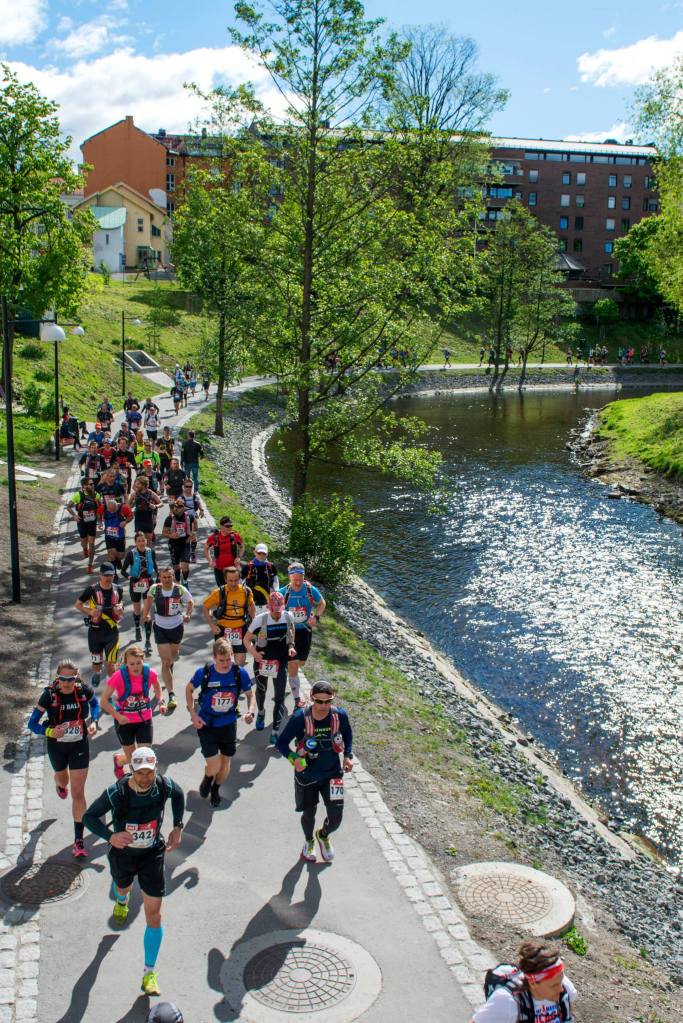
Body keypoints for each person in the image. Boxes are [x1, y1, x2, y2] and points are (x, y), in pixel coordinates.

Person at [83, 746, 185, 997]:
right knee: (123, 888)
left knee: (155, 915)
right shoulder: (116, 792)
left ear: (156, 768)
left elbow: (180, 794)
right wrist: (111, 835)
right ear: (131, 771)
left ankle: (149, 973)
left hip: (152, 854)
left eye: (149, 772)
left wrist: (178, 826)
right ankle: (121, 900)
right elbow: (89, 817)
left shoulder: (163, 785)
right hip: (124, 856)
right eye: (140, 773)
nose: (145, 778)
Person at [27, 658, 100, 857]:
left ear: (76, 678)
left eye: (70, 679)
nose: (66, 683)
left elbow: (96, 705)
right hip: (57, 747)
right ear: (57, 678)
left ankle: (78, 841)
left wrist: (93, 721)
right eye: (62, 679)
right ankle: (59, 784)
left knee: (78, 792)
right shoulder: (49, 695)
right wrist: (50, 731)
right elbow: (32, 724)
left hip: (79, 744)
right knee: (63, 779)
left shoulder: (83, 691)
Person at [276, 681, 353, 863]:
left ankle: (323, 835)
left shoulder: (339, 715)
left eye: (328, 702)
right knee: (309, 813)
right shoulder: (299, 718)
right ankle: (309, 841)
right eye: (319, 702)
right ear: (312, 699)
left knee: (336, 817)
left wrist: (348, 756)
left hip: (332, 774)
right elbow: (281, 743)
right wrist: (294, 759)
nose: (324, 706)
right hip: (307, 776)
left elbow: (348, 734)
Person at [185, 638, 255, 808]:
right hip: (207, 723)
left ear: (232, 656)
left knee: (225, 763)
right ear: (214, 657)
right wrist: (193, 714)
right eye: (221, 660)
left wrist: (250, 711)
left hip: (228, 723)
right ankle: (208, 777)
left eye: (228, 660)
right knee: (214, 765)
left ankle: (215, 789)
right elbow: (189, 689)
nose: (225, 664)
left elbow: (250, 695)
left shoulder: (239, 673)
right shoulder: (205, 672)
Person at [100, 645, 165, 780]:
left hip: (144, 720)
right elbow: (104, 701)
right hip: (125, 722)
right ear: (126, 664)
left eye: (138, 663)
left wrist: (160, 701)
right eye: (132, 664)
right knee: (131, 759)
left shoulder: (149, 673)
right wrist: (118, 716)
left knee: (143, 758)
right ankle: (119, 760)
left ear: (143, 661)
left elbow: (157, 687)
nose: (135, 667)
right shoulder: (118, 676)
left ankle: (140, 787)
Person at [472, 941, 576, 1022]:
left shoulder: (565, 990)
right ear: (533, 983)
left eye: (560, 981)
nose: (561, 989)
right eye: (553, 986)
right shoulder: (506, 1003)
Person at [243, 591, 297, 741]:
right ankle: (260, 712)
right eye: (275, 611)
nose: (277, 614)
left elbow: (292, 633)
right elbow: (246, 640)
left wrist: (291, 646)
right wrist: (255, 654)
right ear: (269, 608)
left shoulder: (288, 616)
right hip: (263, 661)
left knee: (279, 697)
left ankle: (274, 731)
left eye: (279, 610)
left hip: (280, 661)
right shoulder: (260, 619)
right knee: (261, 690)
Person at [142, 567, 194, 712]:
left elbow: (190, 602)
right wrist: (146, 614)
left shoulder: (180, 590)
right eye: (163, 577)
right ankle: (171, 694)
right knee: (165, 661)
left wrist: (187, 614)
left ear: (173, 577)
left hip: (177, 626)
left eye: (169, 577)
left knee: (173, 656)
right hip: (160, 627)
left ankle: (168, 669)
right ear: (160, 578)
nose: (166, 579)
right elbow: (148, 601)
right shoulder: (154, 589)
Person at [280, 562, 326, 707]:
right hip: (290, 632)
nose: (298, 582)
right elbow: (274, 609)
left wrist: (316, 617)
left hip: (305, 630)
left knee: (301, 662)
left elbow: (322, 603)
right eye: (295, 579)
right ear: (290, 577)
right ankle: (296, 698)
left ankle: (291, 672)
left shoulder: (310, 590)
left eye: (300, 578)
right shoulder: (283, 592)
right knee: (293, 663)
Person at [75, 563, 124, 686]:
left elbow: (120, 607)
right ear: (100, 575)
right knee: (97, 662)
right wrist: (89, 611)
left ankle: (111, 689)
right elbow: (78, 604)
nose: (108, 578)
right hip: (95, 632)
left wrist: (120, 609)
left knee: (110, 664)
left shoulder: (118, 589)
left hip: (112, 632)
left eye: (111, 575)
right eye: (105, 575)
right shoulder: (91, 590)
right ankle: (97, 673)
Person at [202, 565, 255, 667]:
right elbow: (205, 607)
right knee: (223, 663)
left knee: (240, 663)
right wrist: (212, 625)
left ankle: (236, 681)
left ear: (239, 579)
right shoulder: (218, 592)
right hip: (222, 630)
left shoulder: (246, 591)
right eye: (230, 581)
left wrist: (252, 626)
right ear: (225, 579)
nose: (233, 583)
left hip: (240, 629)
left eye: (236, 580)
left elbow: (252, 607)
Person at [121, 532, 159, 649]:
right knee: (137, 611)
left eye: (143, 540)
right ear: (135, 542)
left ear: (146, 541)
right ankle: (137, 628)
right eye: (139, 541)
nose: (142, 543)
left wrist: (158, 576)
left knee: (147, 613)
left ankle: (148, 642)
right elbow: (123, 571)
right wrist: (130, 578)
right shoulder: (131, 554)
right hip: (136, 584)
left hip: (148, 583)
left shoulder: (150, 552)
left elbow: (155, 565)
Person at [67, 479, 100, 574]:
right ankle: (84, 548)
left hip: (92, 523)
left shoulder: (96, 495)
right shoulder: (78, 495)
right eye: (90, 484)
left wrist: (100, 521)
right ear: (84, 486)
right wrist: (74, 515)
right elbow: (68, 507)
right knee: (84, 542)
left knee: (92, 544)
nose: (93, 485)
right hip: (82, 522)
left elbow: (99, 508)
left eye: (93, 484)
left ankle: (90, 565)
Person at [162, 499, 197, 584]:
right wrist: (171, 536)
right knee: (176, 567)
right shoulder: (169, 518)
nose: (178, 509)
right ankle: (177, 582)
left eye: (181, 507)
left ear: (184, 507)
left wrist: (193, 534)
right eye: (177, 507)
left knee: (185, 567)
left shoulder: (189, 516)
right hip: (173, 544)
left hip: (185, 544)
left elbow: (195, 523)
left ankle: (185, 580)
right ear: (174, 507)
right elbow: (164, 533)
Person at [205, 516, 244, 588]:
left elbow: (242, 546)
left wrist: (239, 557)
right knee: (222, 590)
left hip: (232, 569)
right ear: (221, 526)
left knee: (233, 589)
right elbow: (206, 548)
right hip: (219, 569)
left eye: (231, 526)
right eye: (227, 526)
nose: (230, 528)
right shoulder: (213, 537)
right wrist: (210, 560)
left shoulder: (235, 536)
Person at [101, 497, 133, 577]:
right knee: (111, 554)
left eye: (113, 510)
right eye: (110, 510)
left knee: (121, 556)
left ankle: (118, 560)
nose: (111, 512)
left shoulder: (124, 507)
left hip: (120, 536)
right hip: (109, 536)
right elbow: (98, 514)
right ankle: (113, 574)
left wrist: (125, 521)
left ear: (116, 506)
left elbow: (131, 516)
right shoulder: (103, 507)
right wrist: (100, 523)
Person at [241, 543, 279, 609]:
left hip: (267, 601)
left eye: (264, 554)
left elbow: (275, 579)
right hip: (251, 601)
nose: (261, 555)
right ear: (255, 552)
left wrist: (276, 591)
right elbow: (240, 580)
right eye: (259, 553)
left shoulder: (271, 567)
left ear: (267, 554)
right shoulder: (248, 567)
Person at [177, 478, 204, 563]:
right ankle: (183, 552)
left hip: (193, 518)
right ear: (183, 487)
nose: (188, 488)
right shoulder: (180, 497)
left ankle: (192, 553)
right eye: (187, 486)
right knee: (183, 536)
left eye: (190, 486)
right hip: (183, 519)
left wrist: (202, 510)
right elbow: (175, 508)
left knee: (193, 535)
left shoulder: (194, 496)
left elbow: (199, 503)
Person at [131, 475, 162, 545]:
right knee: (139, 541)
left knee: (149, 541)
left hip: (148, 518)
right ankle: (139, 555)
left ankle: (148, 555)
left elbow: (161, 503)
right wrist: (130, 508)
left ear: (143, 484)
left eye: (138, 484)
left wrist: (155, 506)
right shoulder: (134, 494)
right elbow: (128, 505)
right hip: (138, 518)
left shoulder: (151, 493)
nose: (136, 485)